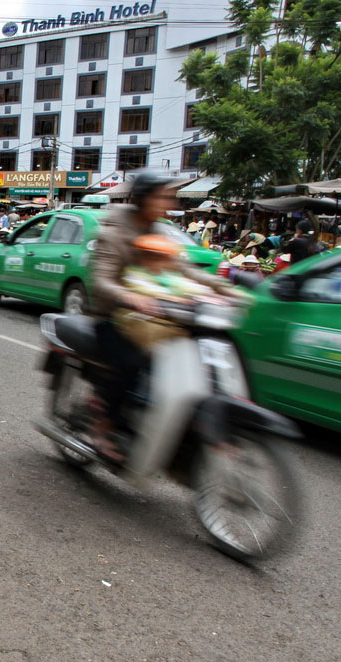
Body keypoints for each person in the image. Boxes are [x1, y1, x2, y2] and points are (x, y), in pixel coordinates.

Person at [90, 171, 235, 462]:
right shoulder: (115, 231)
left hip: (157, 316)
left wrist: (222, 287)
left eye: (169, 197)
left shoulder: (159, 232)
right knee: (132, 364)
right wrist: (129, 295)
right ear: (143, 198)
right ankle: (101, 428)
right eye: (161, 196)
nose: (167, 203)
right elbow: (101, 280)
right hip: (114, 316)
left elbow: (183, 269)